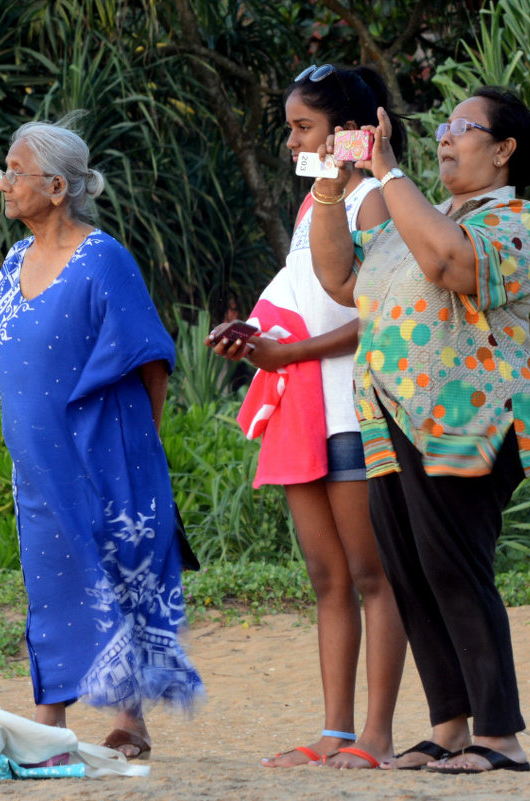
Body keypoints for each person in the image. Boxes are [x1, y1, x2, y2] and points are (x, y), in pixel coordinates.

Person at [308, 87, 530, 774]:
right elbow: (338, 279)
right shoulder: (416, 216)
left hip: (470, 418)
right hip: (393, 416)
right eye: (443, 126)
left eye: (464, 127)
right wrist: (332, 188)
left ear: (503, 150)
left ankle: (500, 735)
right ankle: (449, 723)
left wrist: (388, 172)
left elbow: (452, 266)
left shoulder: (517, 219)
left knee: (455, 565)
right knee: (411, 571)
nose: (445, 137)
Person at [0, 116, 203, 761]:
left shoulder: (102, 257)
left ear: (55, 187)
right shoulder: (13, 259)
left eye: (14, 171)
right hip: (37, 461)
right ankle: (49, 724)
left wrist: (137, 452)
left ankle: (127, 721)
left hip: (100, 453)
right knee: (50, 578)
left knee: (113, 574)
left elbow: (151, 360)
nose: (4, 182)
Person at [208, 64, 408, 770]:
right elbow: (303, 299)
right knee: (327, 577)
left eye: (303, 127)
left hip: (358, 406)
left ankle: (377, 735)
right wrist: (258, 344)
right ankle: (335, 730)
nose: (290, 141)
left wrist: (287, 351)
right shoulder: (313, 205)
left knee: (373, 574)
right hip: (306, 408)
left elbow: (378, 313)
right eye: (289, 127)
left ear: (349, 132)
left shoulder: (379, 201)